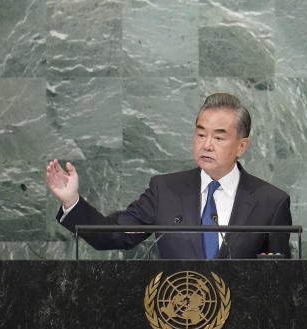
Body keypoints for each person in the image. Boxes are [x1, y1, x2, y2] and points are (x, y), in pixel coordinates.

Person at [45, 93, 292, 259]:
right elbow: (113, 234)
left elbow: (280, 280)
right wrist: (72, 202)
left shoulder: (271, 202)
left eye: (218, 137)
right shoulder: (165, 190)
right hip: (174, 323)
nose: (206, 145)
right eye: (200, 134)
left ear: (241, 146)